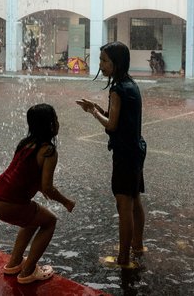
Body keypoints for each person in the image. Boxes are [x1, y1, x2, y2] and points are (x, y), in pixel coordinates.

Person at [76, 41, 147, 269]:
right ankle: (137, 245)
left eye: (105, 61)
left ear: (117, 62)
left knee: (123, 204)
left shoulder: (117, 89)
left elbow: (112, 125)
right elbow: (122, 118)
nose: (101, 65)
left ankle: (123, 259)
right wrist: (99, 108)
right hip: (136, 149)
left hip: (125, 153)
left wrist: (93, 112)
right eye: (101, 61)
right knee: (134, 199)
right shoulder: (131, 84)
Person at [0, 104, 75, 284]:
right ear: (50, 125)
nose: (58, 123)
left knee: (33, 218)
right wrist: (66, 202)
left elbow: (31, 177)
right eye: (56, 119)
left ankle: (14, 263)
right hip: (11, 203)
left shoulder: (25, 144)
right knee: (50, 221)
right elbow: (47, 187)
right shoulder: (49, 151)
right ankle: (27, 273)